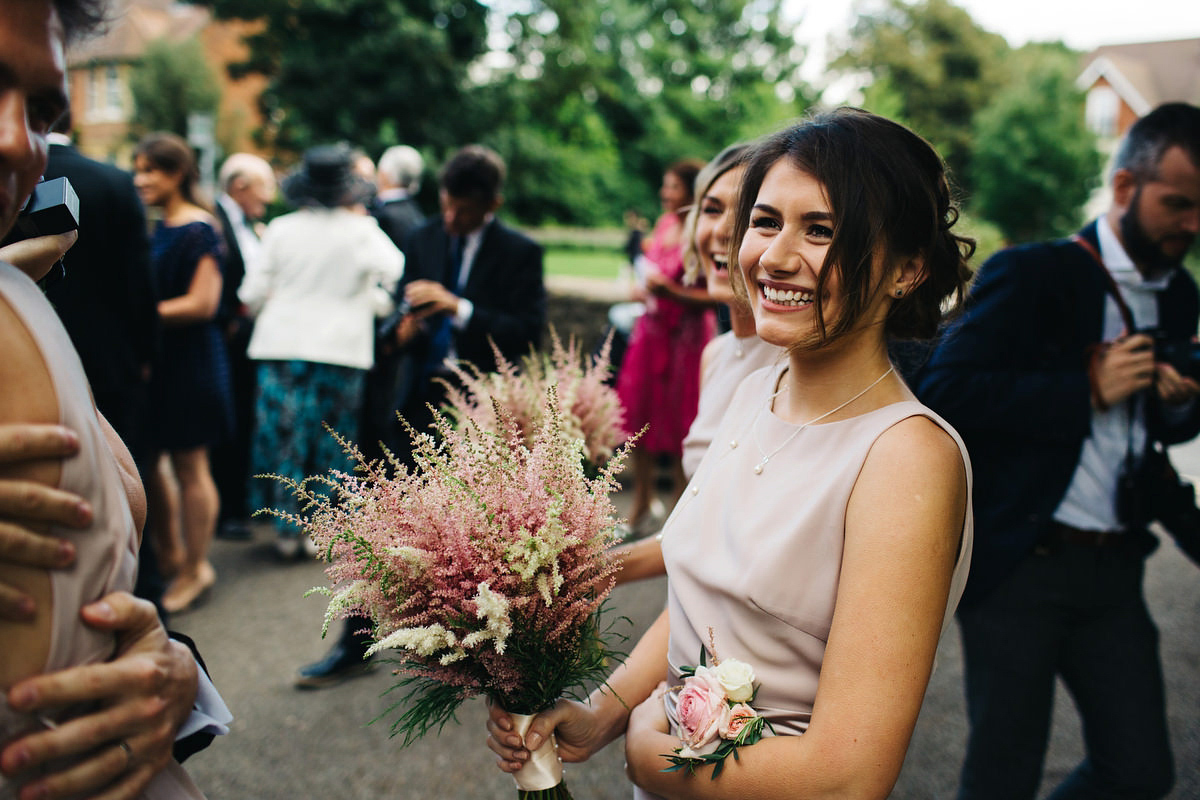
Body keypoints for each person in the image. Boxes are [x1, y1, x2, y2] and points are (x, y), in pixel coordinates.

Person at [487, 108, 975, 798]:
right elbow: (703, 597)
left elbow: (847, 777)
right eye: (767, 221)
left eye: (823, 231)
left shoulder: (904, 459)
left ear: (909, 268)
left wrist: (648, 753)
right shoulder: (753, 389)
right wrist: (605, 712)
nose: (774, 257)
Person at [916, 102, 1200, 800]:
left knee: (1138, 773)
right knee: (1001, 775)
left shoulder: (1181, 293)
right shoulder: (1033, 273)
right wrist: (1086, 389)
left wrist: (1176, 404)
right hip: (1021, 567)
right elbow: (945, 392)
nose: (1194, 225)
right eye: (1180, 203)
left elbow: (1165, 433)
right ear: (1127, 188)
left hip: (1116, 569)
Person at [0, 3, 227, 796]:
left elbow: (110, 595)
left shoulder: (20, 306)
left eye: (42, 111)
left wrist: (173, 677)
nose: (15, 140)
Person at [295, 144, 545, 688]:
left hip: (481, 412)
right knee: (377, 524)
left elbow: (527, 332)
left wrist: (462, 308)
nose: (451, 219)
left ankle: (484, 655)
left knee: (479, 541)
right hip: (411, 404)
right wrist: (399, 333)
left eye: (464, 211)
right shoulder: (423, 236)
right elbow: (399, 321)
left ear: (492, 203)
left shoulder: (521, 251)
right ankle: (354, 643)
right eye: (446, 205)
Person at [610, 143, 782, 584]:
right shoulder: (717, 355)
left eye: (752, 216)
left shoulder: (791, 371)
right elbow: (694, 532)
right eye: (711, 209)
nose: (723, 230)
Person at [239, 143, 403, 560]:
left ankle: (284, 526)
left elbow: (252, 291)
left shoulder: (280, 229)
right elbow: (395, 273)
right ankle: (321, 528)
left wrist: (268, 304)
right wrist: (373, 303)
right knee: (334, 439)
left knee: (286, 436)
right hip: (342, 348)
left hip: (282, 344)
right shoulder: (362, 231)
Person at [41, 115, 164, 605]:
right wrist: (147, 353)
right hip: (110, 357)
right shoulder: (112, 181)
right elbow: (139, 280)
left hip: (36, 356)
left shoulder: (18, 175)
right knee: (127, 471)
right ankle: (144, 587)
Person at [134, 133, 232, 615]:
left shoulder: (199, 228)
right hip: (161, 361)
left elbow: (203, 303)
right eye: (137, 168)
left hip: (193, 360)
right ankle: (171, 555)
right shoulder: (158, 227)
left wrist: (139, 313)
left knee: (191, 467)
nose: (140, 178)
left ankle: (198, 567)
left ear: (177, 173)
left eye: (150, 169)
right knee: (154, 463)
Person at [616, 158, 716, 533]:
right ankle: (641, 500)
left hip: (686, 340)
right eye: (666, 185)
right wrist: (643, 290)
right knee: (639, 416)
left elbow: (720, 296)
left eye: (673, 187)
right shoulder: (663, 225)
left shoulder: (703, 232)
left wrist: (671, 290)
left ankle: (680, 509)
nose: (665, 193)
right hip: (652, 332)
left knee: (680, 424)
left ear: (692, 192)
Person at [210, 153, 276, 542]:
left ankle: (239, 503)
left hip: (246, 340)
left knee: (242, 419)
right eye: (263, 189)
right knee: (229, 422)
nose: (267, 199)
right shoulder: (215, 220)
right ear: (239, 185)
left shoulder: (247, 225)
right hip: (228, 338)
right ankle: (228, 510)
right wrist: (230, 321)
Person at [360, 144, 426, 460]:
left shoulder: (380, 216)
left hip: (378, 326)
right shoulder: (417, 215)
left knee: (374, 405)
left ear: (384, 175)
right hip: (405, 325)